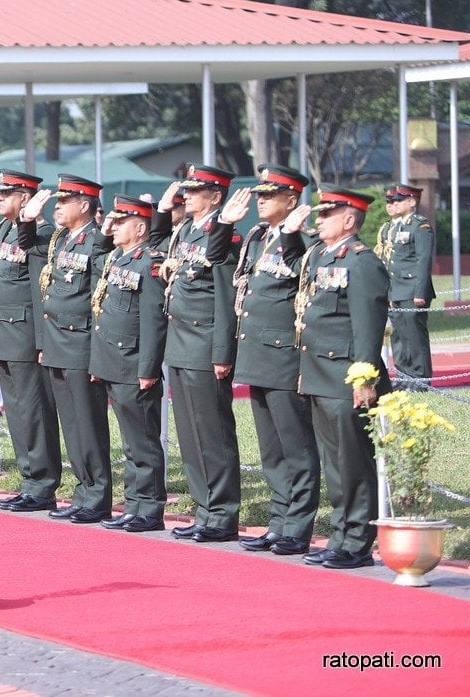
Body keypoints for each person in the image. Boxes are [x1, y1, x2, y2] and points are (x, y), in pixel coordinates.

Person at [287, 187, 389, 570]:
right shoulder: (321, 256)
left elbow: (368, 325)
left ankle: (358, 541)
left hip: (345, 377)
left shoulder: (362, 262)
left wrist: (365, 377)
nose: (319, 219)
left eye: (327, 214)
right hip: (317, 374)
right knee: (334, 463)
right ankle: (341, 535)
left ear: (349, 219)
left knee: (353, 463)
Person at [218, 167, 319, 555]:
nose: (260, 202)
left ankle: (298, 526)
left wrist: (292, 234)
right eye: (259, 195)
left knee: (297, 448)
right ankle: (279, 521)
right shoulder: (258, 238)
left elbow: (299, 275)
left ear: (291, 201)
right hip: (257, 353)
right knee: (271, 450)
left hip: (283, 357)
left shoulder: (302, 243)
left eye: (269, 196)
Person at [155, 166, 241, 542]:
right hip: (180, 342)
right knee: (189, 436)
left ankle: (222, 514)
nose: (186, 196)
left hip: (205, 344)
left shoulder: (222, 236)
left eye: (195, 191)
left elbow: (225, 299)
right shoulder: (184, 231)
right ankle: (204, 509)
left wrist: (222, 352)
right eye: (185, 191)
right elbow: (158, 251)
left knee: (212, 433)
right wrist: (160, 212)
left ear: (216, 197)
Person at [29, 175, 113, 524]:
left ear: (85, 205)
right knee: (72, 425)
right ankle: (83, 491)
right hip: (58, 342)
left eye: (64, 201)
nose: (57, 207)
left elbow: (97, 302)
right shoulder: (62, 240)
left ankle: (97, 496)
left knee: (88, 424)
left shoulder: (96, 241)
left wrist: (98, 353)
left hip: (81, 343)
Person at [0, 169, 60, 512]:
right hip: (3, 334)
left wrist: (42, 341)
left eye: (6, 195)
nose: (0, 200)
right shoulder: (0, 230)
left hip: (25, 334)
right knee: (17, 413)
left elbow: (40, 292)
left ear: (25, 199)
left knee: (34, 412)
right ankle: (29, 480)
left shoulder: (41, 233)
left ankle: (42, 485)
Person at [88, 196, 168, 531]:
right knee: (130, 442)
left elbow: (153, 319)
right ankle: (134, 503)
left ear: (140, 226)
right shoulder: (116, 259)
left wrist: (148, 368)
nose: (113, 226)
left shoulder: (146, 262)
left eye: (121, 222)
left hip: (134, 363)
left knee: (143, 440)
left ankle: (149, 508)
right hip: (114, 361)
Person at [376, 183, 435, 388]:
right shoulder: (392, 228)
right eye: (391, 201)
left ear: (412, 202)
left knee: (415, 336)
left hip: (412, 289)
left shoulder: (420, 226)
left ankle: (420, 380)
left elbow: (423, 260)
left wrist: (420, 292)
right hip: (395, 289)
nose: (393, 204)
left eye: (398, 200)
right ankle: (403, 376)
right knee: (399, 336)